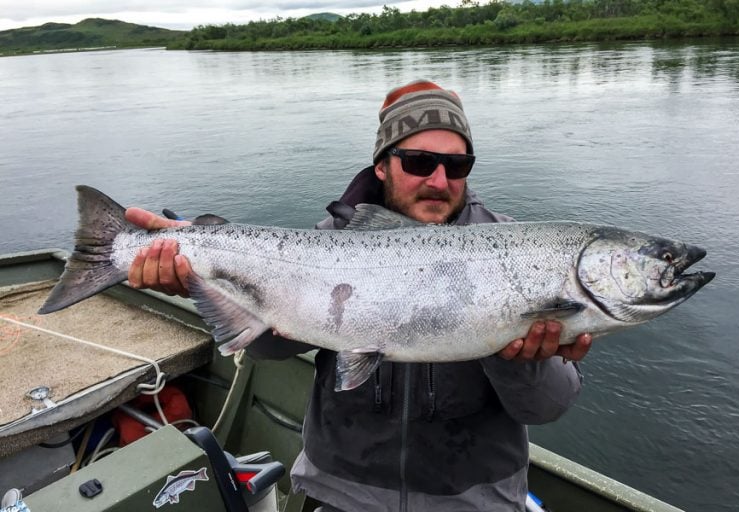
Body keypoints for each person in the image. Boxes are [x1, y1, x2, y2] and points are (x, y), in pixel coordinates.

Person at [126, 80, 592, 512]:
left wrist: (519, 357)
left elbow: (547, 408)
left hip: (475, 499)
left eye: (457, 165)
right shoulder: (335, 239)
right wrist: (200, 277)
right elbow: (267, 347)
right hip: (341, 493)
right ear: (382, 165)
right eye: (418, 162)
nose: (438, 180)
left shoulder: (520, 250)